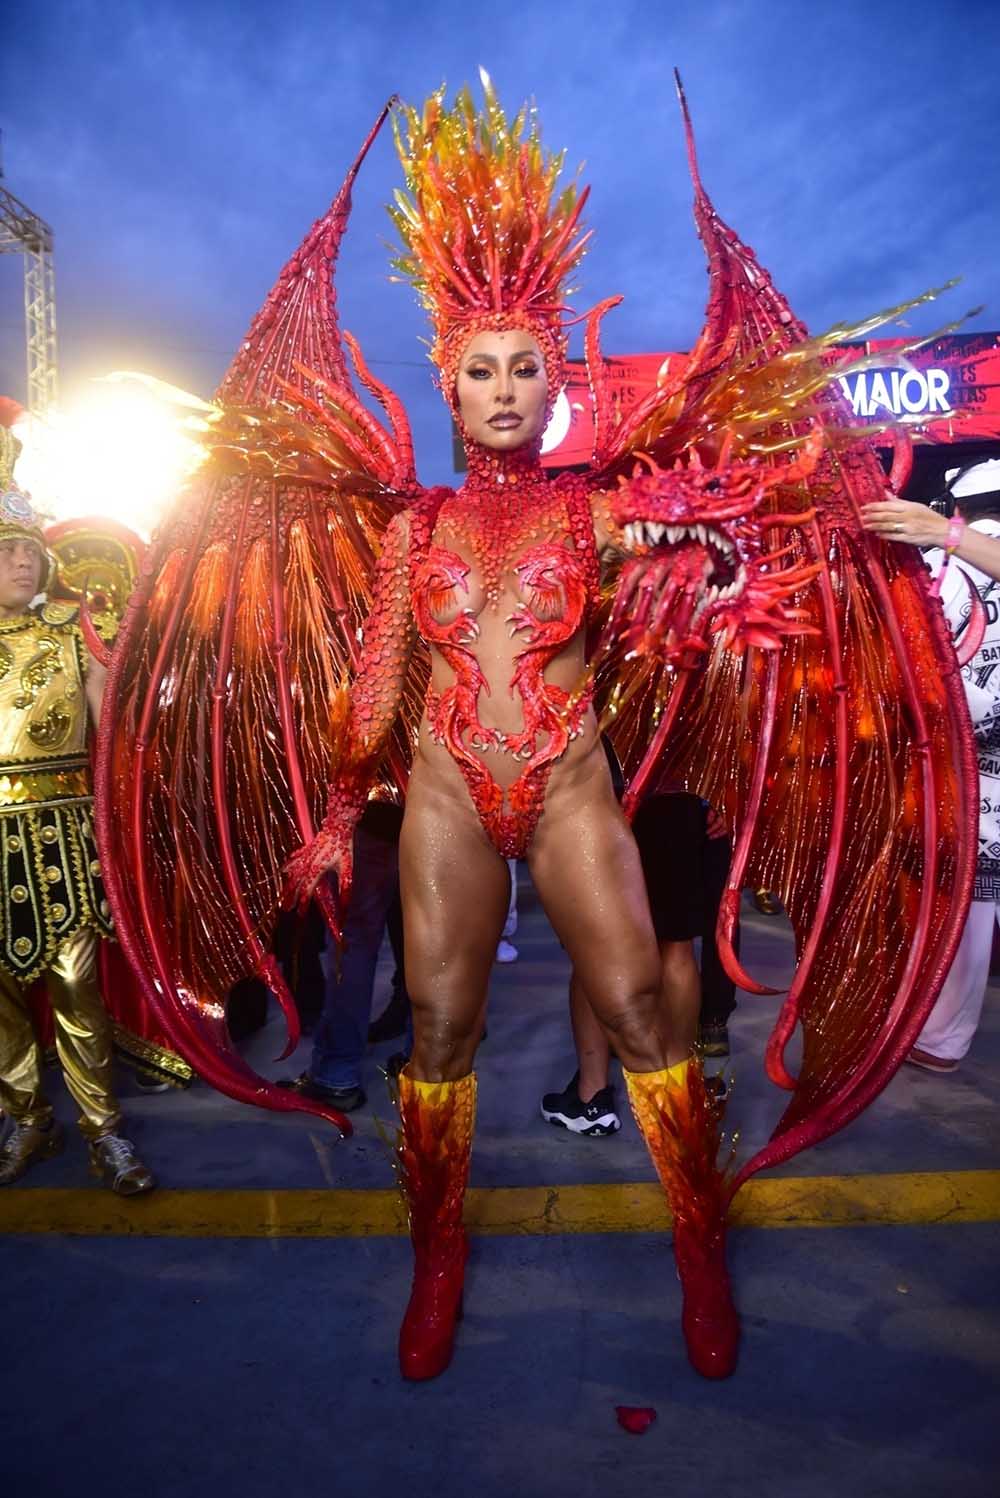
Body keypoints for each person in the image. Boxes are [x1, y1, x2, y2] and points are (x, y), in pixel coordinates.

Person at [100, 79, 975, 1394]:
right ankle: (436, 1248)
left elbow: (737, 564)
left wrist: (726, 560)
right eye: (481, 369)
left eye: (525, 368)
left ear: (554, 382)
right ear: (447, 381)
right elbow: (382, 680)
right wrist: (344, 805)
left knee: (635, 1002)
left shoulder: (601, 517)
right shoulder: (416, 527)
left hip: (570, 787)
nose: (504, 388)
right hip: (451, 793)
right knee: (441, 1029)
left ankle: (695, 1236)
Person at [0, 429, 154, 1194]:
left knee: (75, 987)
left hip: (59, 830)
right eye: (5, 550)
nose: (21, 561)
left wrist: (119, 817)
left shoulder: (75, 632)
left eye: (29, 549)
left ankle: (105, 1130)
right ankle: (26, 1113)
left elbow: (112, 736)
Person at [863, 460, 1000, 1071]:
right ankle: (935, 1034)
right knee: (958, 902)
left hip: (964, 764)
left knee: (959, 904)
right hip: (957, 764)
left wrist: (945, 535)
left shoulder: (950, 552)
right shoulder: (941, 563)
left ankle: (939, 1037)